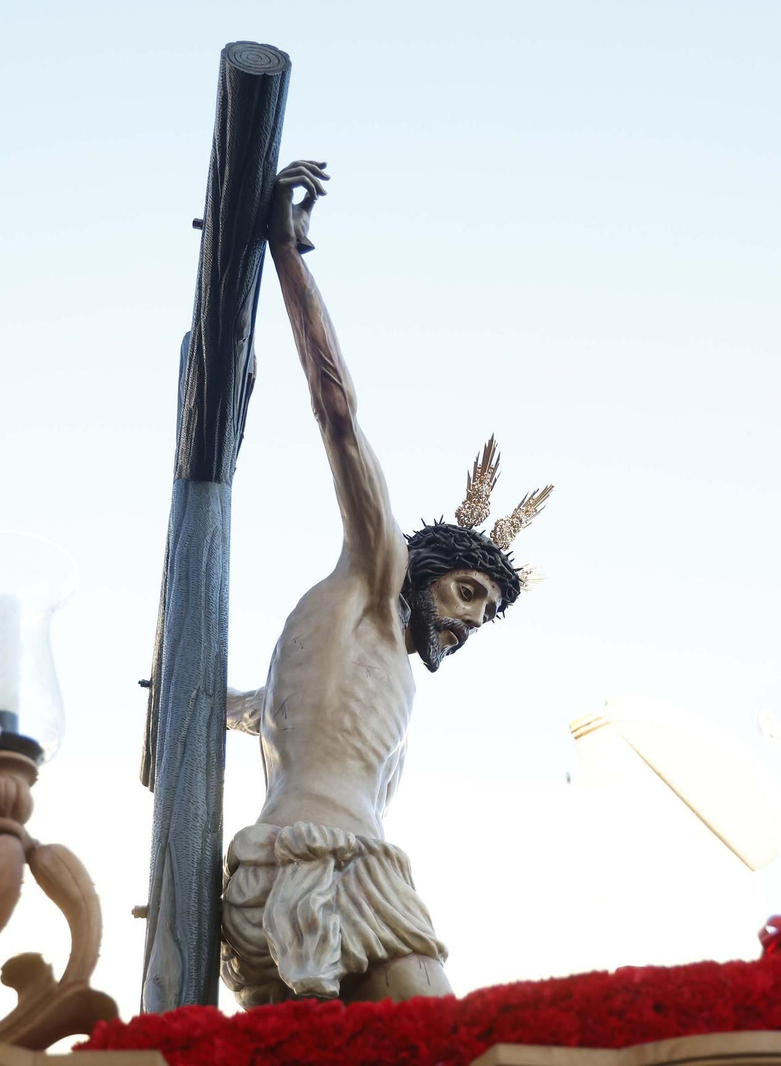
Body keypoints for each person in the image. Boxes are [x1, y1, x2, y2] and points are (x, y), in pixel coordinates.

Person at [219, 160, 552, 1008]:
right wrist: (288, 251)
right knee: (436, 1036)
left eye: (488, 610)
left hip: (340, 862)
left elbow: (266, 709)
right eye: (470, 592)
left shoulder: (373, 664)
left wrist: (218, 704)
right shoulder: (374, 574)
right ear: (425, 568)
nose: (473, 619)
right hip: (314, 862)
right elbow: (336, 407)